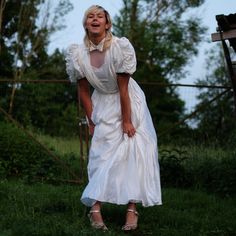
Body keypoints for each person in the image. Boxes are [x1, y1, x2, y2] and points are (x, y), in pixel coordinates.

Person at [65, 5, 162, 232]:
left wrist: (127, 121)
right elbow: (83, 91)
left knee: (132, 151)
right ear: (86, 24)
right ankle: (95, 209)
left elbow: (123, 89)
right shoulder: (77, 54)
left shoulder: (119, 48)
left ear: (107, 24)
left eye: (100, 16)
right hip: (103, 102)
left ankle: (131, 208)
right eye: (90, 16)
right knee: (101, 154)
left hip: (127, 101)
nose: (95, 19)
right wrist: (91, 120)